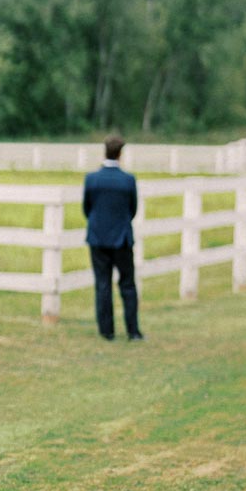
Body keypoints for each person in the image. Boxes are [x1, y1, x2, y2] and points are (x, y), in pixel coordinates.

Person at [82, 137, 144, 341]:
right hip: (121, 239)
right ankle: (133, 331)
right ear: (120, 154)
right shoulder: (128, 180)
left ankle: (106, 331)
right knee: (127, 284)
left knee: (102, 284)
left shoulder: (91, 179)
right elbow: (133, 209)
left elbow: (87, 208)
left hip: (98, 239)